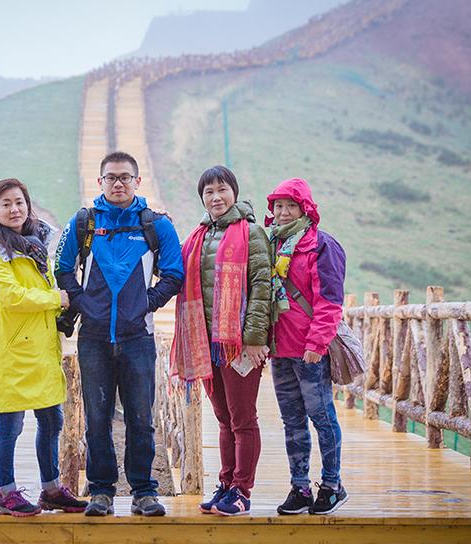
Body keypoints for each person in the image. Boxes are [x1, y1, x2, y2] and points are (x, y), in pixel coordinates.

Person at [55, 151, 183, 517]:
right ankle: (101, 491)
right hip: (93, 338)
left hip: (137, 338)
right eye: (111, 177)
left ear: (137, 181)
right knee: (97, 419)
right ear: (100, 182)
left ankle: (144, 491)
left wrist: (146, 304)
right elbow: (62, 269)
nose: (118, 183)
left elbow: (173, 273)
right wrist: (82, 304)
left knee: (141, 418)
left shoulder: (156, 225)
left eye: (125, 177)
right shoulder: (83, 223)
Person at [0, 178, 88, 517]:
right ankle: (5, 493)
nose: (14, 209)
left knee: (51, 419)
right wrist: (56, 299)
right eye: (5, 203)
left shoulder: (37, 244)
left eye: (19, 202)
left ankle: (50, 488)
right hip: (12, 348)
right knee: (10, 423)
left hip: (42, 345)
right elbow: (11, 295)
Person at [170, 165, 272, 516]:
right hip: (206, 342)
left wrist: (255, 338)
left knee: (243, 418)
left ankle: (242, 490)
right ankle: (226, 483)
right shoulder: (197, 236)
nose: (216, 197)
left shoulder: (252, 233)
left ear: (234, 192)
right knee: (224, 419)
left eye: (222, 190)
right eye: (209, 192)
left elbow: (262, 288)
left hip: (239, 344)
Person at [265, 178, 349, 516]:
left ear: (305, 208)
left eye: (290, 206)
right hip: (280, 349)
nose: (283, 212)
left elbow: (330, 300)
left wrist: (317, 343)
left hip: (309, 350)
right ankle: (300, 486)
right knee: (292, 420)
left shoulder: (321, 245)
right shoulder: (271, 245)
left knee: (322, 417)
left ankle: (332, 484)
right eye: (278, 206)